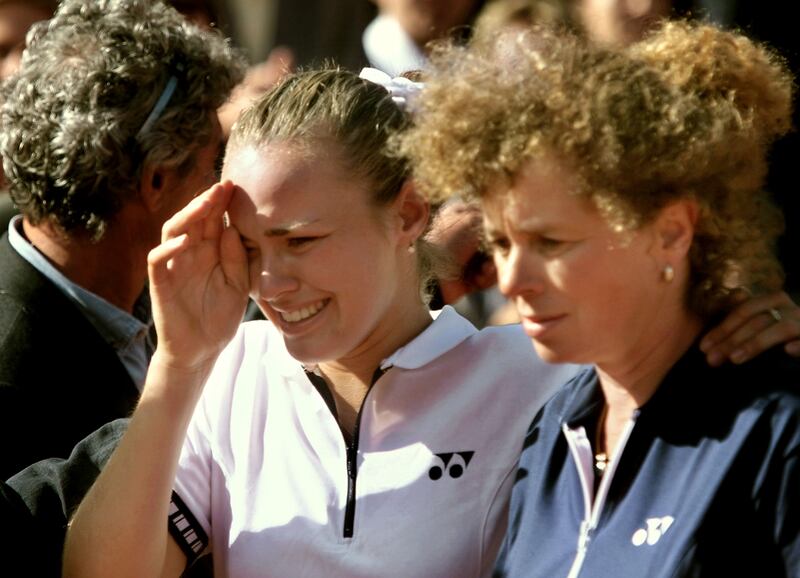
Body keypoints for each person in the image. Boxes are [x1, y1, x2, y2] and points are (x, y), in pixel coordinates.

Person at [64, 59, 800, 578]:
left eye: (302, 241)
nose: (270, 280)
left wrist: (748, 317)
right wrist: (178, 365)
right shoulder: (227, 372)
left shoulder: (539, 374)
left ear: (409, 214)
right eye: (250, 246)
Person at [399, 20, 800, 576]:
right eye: (502, 243)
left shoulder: (777, 431)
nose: (512, 281)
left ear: (671, 233)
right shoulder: (554, 429)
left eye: (551, 242)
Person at [0, 0, 245, 478]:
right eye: (214, 165)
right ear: (156, 181)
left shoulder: (158, 297)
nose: (227, 192)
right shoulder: (12, 381)